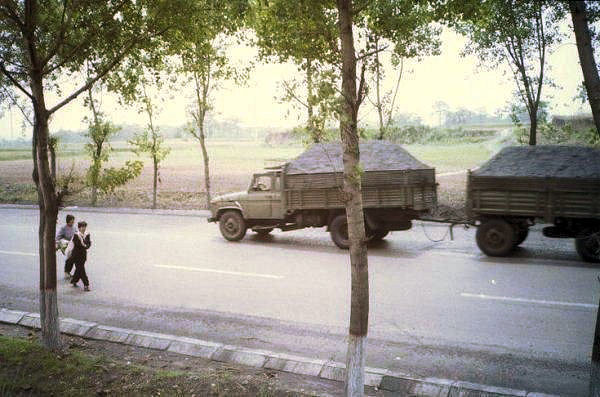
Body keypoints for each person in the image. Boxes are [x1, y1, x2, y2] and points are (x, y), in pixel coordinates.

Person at [70, 221, 92, 292]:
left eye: (84, 227)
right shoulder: (76, 235)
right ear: (79, 228)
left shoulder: (87, 234)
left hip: (83, 255)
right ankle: (86, 284)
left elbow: (88, 243)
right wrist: (85, 245)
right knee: (82, 270)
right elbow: (78, 245)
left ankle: (74, 280)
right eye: (82, 227)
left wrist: (86, 246)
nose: (83, 228)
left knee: (79, 269)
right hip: (76, 255)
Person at [55, 214, 77, 279]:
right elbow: (58, 237)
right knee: (69, 258)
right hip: (66, 245)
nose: (72, 223)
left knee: (72, 259)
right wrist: (57, 244)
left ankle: (68, 272)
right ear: (68, 221)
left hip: (72, 245)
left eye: (73, 222)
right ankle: (66, 272)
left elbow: (76, 235)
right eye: (71, 222)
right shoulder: (63, 228)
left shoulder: (74, 228)